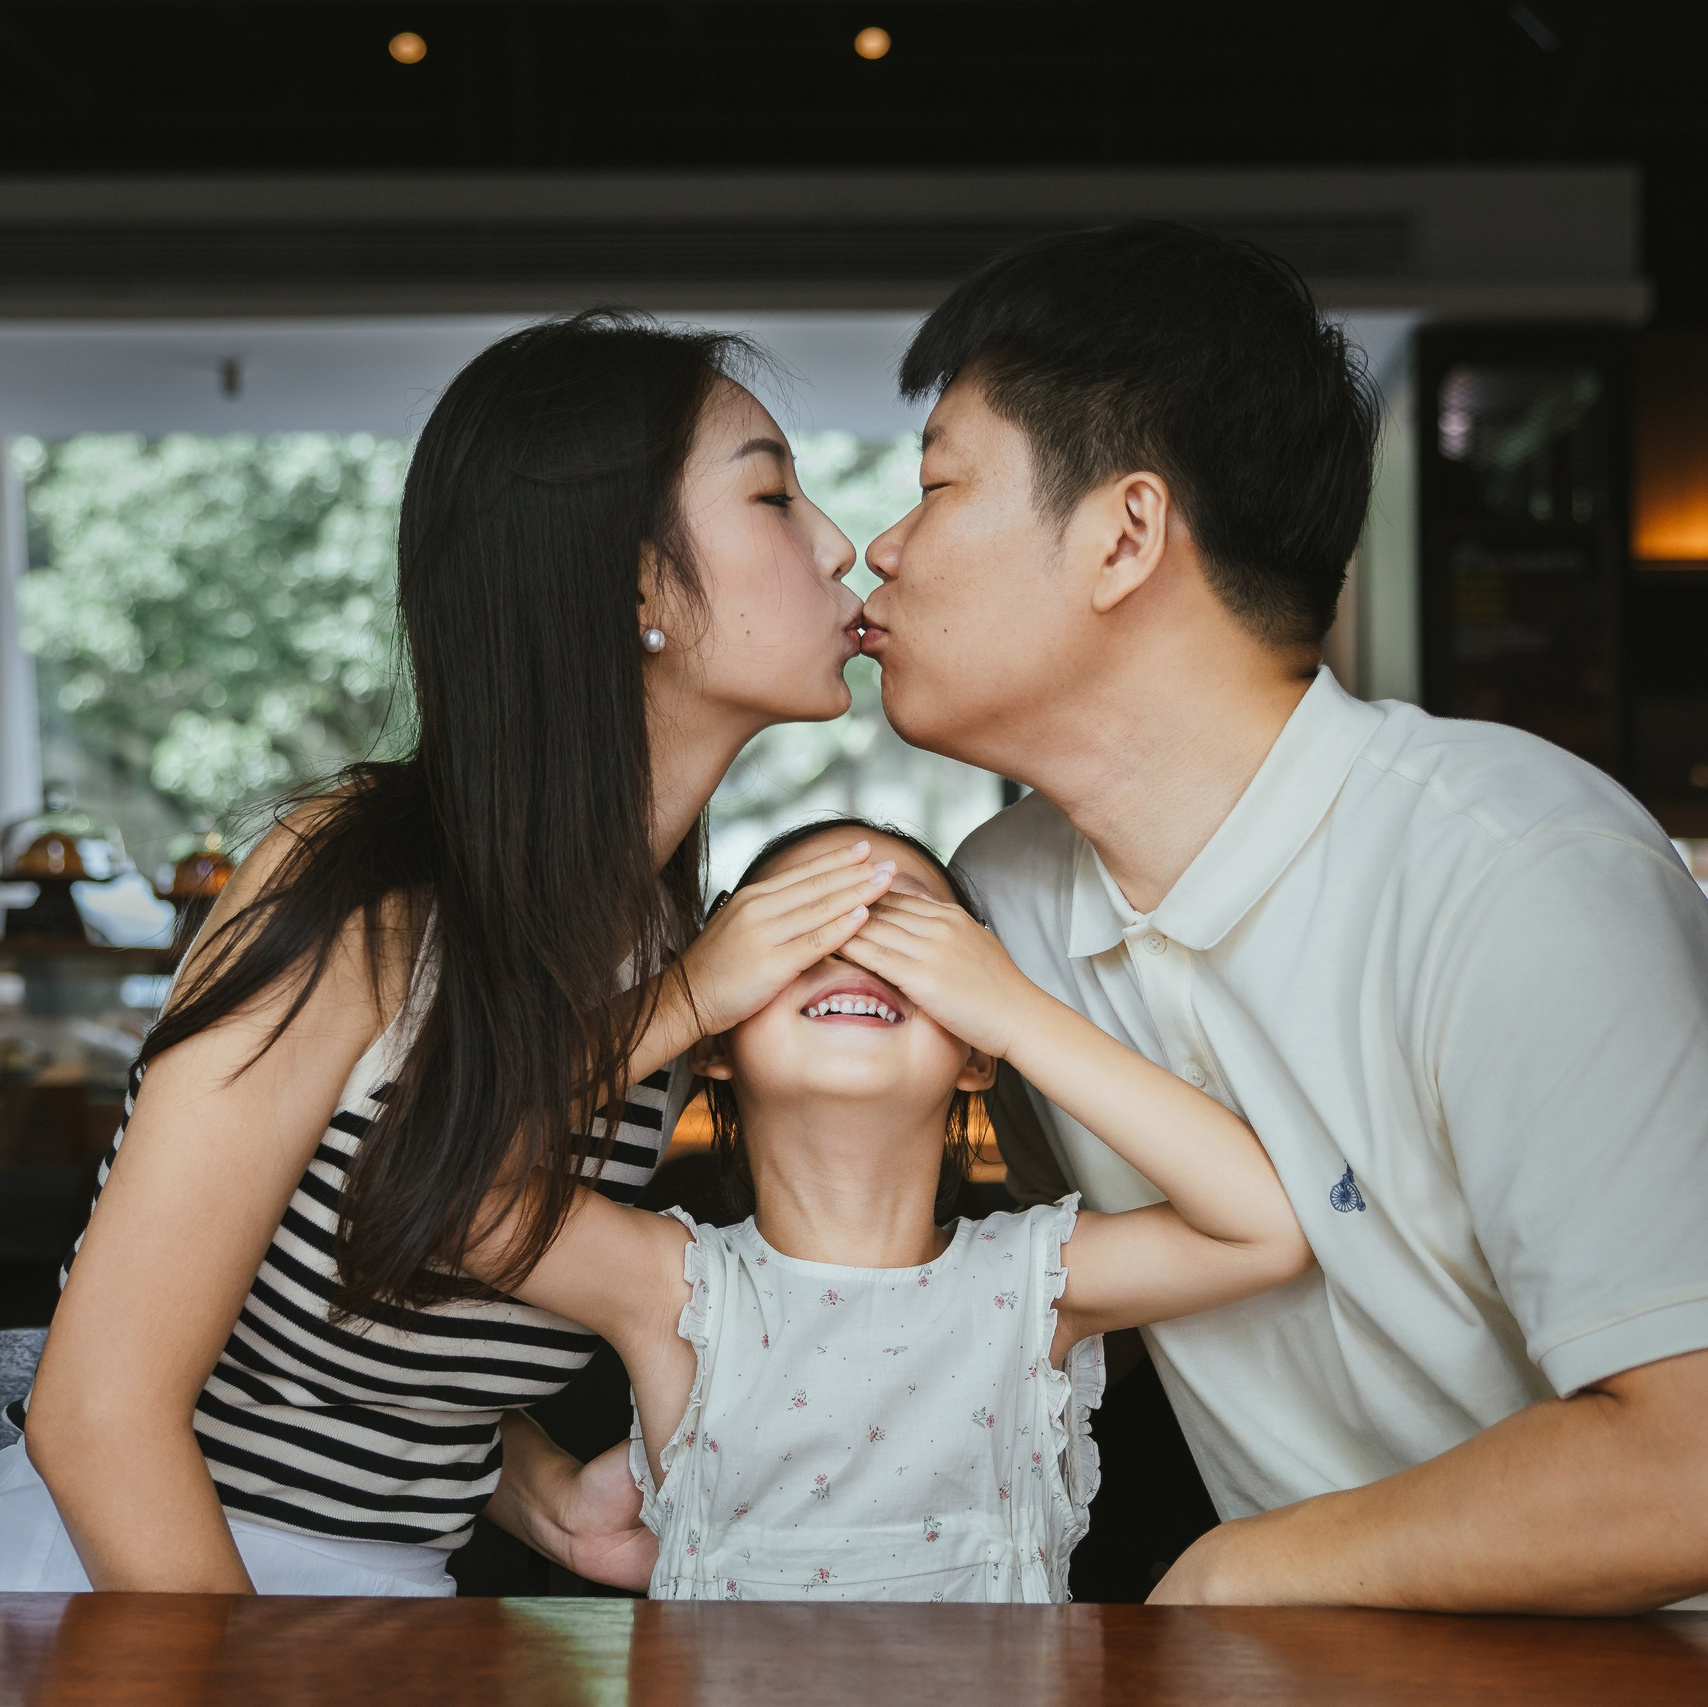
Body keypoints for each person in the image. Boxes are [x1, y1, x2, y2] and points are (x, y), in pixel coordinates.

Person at [859, 221, 1708, 1614]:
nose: (881, 546)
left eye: (937, 484)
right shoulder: (1005, 891)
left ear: (1127, 532)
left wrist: (1242, 1570)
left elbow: (1689, 1458)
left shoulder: (1516, 873)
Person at [0, 311, 890, 1594]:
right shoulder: (350, 882)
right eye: (772, 494)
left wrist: (542, 1502)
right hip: (142, 1594)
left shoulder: (646, 937)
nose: (837, 542)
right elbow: (96, 1417)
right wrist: (681, 1003)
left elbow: (365, 1324)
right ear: (635, 580)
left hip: (393, 1612)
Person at [466, 818, 1310, 1602]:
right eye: (797, 928)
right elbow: (445, 1181)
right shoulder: (671, 1289)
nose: (854, 948)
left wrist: (1015, 1012)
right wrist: (684, 995)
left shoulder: (1036, 1283)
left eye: (908, 930)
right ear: (718, 1035)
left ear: (975, 1047)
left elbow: (1262, 1226)